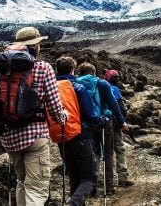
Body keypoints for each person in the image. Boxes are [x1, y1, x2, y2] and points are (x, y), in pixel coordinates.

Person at [0, 26, 67, 206]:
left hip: (9, 138)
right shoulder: (43, 68)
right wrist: (63, 117)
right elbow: (54, 106)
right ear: (35, 46)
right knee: (36, 188)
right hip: (35, 136)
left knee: (21, 181)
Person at [54, 56, 109, 206]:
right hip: (81, 136)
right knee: (88, 178)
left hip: (62, 137)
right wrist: (103, 120)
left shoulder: (53, 88)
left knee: (74, 177)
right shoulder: (78, 87)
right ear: (72, 70)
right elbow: (91, 116)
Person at [77, 62, 127, 196]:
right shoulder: (103, 84)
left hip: (88, 124)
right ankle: (108, 187)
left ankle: (91, 187)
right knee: (108, 154)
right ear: (94, 72)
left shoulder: (77, 84)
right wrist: (122, 121)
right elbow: (113, 104)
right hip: (105, 122)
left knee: (94, 154)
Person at [104, 69, 134, 187]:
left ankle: (107, 181)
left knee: (106, 152)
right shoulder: (115, 90)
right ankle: (122, 178)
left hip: (104, 123)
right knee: (119, 148)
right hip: (115, 125)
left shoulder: (100, 87)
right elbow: (119, 108)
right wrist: (122, 122)